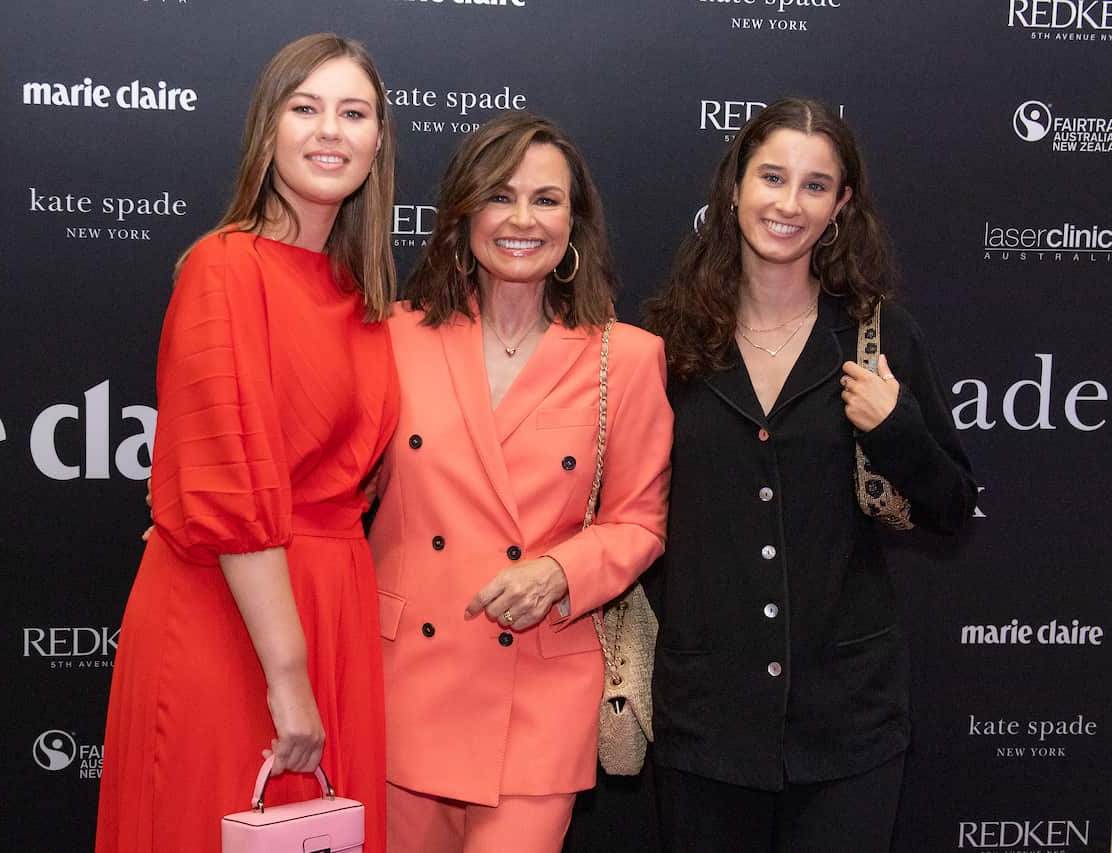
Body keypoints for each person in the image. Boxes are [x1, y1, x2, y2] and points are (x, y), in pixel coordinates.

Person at [643, 97, 977, 852]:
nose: (788, 204)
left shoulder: (880, 337)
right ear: (735, 185)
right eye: (772, 177)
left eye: (815, 185)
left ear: (841, 206)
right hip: (706, 722)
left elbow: (955, 503)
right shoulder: (668, 340)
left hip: (848, 727)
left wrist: (895, 430)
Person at [95, 33, 398, 853]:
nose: (329, 130)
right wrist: (288, 676)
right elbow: (229, 486)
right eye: (305, 107)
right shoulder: (223, 269)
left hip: (331, 606)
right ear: (268, 128)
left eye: (353, 113)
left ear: (378, 142)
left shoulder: (360, 294)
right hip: (235, 620)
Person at [370, 112, 673, 853]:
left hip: (539, 688)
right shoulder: (393, 337)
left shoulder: (625, 357)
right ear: (463, 215)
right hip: (405, 680)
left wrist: (559, 572)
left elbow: (640, 521)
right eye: (500, 197)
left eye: (546, 200)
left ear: (575, 224)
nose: (522, 220)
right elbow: (335, 480)